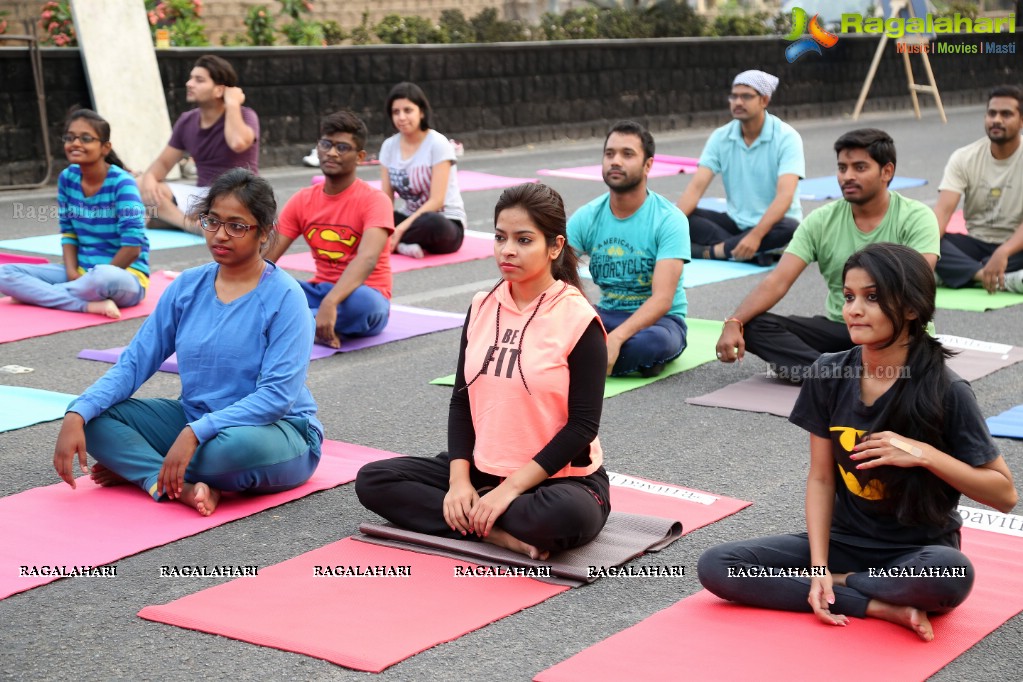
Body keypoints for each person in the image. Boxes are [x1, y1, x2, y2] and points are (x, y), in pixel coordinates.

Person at [698, 243, 1017, 642]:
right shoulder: (828, 372)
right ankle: (872, 602)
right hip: (842, 543)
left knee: (952, 574)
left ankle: (841, 584)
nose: (853, 309)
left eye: (872, 298)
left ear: (913, 308)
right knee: (718, 565)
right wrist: (816, 566)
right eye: (849, 297)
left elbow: (1004, 495)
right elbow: (821, 480)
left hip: (918, 552)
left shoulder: (948, 390)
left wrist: (922, 454)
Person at [356, 183, 609, 560]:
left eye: (524, 240)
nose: (507, 250)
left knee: (563, 517)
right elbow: (462, 402)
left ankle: (478, 518)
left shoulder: (579, 319)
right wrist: (459, 483)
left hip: (558, 482)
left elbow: (582, 426)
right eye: (500, 237)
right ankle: (496, 534)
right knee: (374, 480)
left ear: (554, 247)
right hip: (483, 469)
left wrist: (508, 491)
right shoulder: (482, 305)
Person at [52, 169, 323, 517]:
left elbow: (277, 398)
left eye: (237, 226)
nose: (220, 235)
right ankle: (165, 480)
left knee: (231, 451)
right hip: (195, 420)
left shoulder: (286, 297)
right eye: (212, 221)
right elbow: (135, 363)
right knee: (93, 421)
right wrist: (77, 411)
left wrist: (195, 432)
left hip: (274, 431)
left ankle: (143, 466)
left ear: (265, 234)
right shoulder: (187, 287)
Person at [715, 129, 940, 382]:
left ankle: (827, 373)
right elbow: (777, 281)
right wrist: (734, 321)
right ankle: (840, 378)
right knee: (754, 325)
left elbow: (914, 286)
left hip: (897, 331)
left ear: (886, 172)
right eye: (842, 168)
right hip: (845, 330)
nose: (848, 176)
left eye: (860, 167)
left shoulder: (917, 217)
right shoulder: (821, 220)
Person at [0, 108, 149, 319]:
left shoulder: (123, 183)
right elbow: (69, 233)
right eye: (70, 138)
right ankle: (86, 305)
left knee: (102, 277)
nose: (76, 143)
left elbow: (133, 248)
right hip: (81, 273)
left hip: (123, 276)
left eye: (86, 138)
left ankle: (37, 295)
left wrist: (89, 279)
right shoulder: (67, 178)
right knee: (4, 274)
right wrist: (72, 273)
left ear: (105, 147)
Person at [568, 120, 690, 377]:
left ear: (648, 165)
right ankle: (605, 359)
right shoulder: (587, 216)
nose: (615, 161)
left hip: (659, 322)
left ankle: (584, 358)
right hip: (606, 314)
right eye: (609, 154)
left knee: (650, 344)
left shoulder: (669, 219)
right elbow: (555, 274)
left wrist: (617, 338)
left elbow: (662, 299)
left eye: (627, 154)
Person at [265, 111, 393, 348]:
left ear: (360, 156)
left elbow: (367, 259)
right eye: (326, 144)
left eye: (342, 147)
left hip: (363, 295)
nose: (332, 152)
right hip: (319, 291)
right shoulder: (302, 200)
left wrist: (330, 303)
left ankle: (289, 324)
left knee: (364, 306)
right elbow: (267, 257)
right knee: (268, 287)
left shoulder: (375, 200)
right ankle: (309, 324)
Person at [677, 69, 804, 263]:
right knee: (681, 215)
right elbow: (695, 188)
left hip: (775, 225)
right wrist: (666, 229)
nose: (737, 102)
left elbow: (784, 197)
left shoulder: (787, 137)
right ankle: (752, 252)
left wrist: (756, 236)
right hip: (736, 223)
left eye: (746, 96)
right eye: (734, 96)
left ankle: (710, 252)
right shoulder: (721, 137)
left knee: (790, 228)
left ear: (764, 100)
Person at [140, 55, 259, 233]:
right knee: (137, 184)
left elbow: (238, 143)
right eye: (191, 78)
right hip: (203, 195)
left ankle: (176, 218)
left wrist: (232, 103)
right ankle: (190, 224)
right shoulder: (187, 120)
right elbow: (162, 165)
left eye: (199, 80)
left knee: (148, 212)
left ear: (219, 90)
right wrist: (148, 181)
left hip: (240, 195)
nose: (189, 83)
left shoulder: (246, 115)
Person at [933, 85, 1023, 293]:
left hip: (1016, 246)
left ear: (1021, 121)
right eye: (992, 113)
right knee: (921, 236)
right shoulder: (964, 157)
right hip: (975, 244)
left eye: (1006, 114)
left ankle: (961, 274)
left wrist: (1004, 251)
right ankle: (988, 276)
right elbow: (943, 213)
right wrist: (925, 248)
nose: (997, 120)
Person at [379, 82, 466, 259]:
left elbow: (436, 201)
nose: (401, 117)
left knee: (432, 223)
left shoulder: (438, 143)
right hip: (409, 217)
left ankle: (391, 241)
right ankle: (401, 244)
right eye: (396, 112)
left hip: (444, 221)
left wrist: (401, 228)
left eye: (408, 110)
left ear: (422, 112)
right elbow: (386, 199)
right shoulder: (389, 146)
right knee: (368, 221)